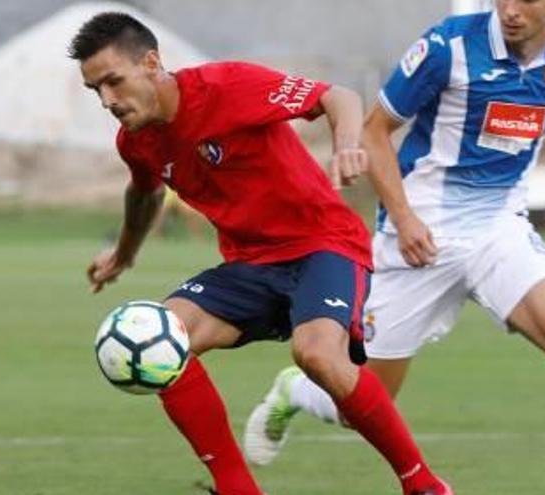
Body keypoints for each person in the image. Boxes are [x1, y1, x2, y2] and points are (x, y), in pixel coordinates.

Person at [245, 1, 545, 495]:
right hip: (419, 235)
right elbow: (374, 131)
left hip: (498, 228)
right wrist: (405, 217)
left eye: (525, 0)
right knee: (363, 404)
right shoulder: (448, 46)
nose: (510, 10)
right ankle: (297, 390)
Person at [71, 12, 452, 495]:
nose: (107, 100)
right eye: (95, 90)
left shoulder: (228, 86)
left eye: (113, 82)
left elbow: (338, 98)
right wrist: (124, 254)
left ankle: (423, 484)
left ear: (151, 63)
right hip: (250, 264)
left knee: (316, 354)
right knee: (162, 337)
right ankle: (237, 488)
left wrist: (346, 144)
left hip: (324, 244)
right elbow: (143, 193)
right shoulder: (136, 140)